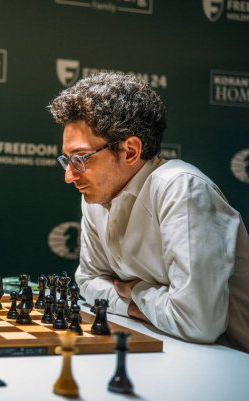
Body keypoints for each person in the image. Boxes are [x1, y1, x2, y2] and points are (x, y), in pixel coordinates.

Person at [48, 72, 249, 352]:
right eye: (67, 160)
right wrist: (137, 306)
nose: (69, 175)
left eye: (80, 159)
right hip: (168, 346)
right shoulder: (95, 193)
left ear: (130, 151)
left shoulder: (181, 189)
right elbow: (88, 281)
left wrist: (133, 290)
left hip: (231, 359)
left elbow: (198, 321)